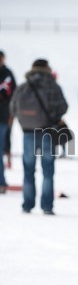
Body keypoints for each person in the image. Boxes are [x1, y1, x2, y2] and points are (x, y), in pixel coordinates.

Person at [10, 59, 68, 214]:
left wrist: (24, 122)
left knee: (28, 169)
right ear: (46, 68)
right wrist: (53, 118)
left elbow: (13, 107)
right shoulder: (52, 86)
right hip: (47, 131)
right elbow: (63, 106)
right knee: (48, 171)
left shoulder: (23, 86)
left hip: (28, 132)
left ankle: (27, 205)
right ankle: (47, 206)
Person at [0, 50, 17, 193]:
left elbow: (14, 95)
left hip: (3, 118)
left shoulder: (7, 74)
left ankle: (1, 182)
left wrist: (12, 115)